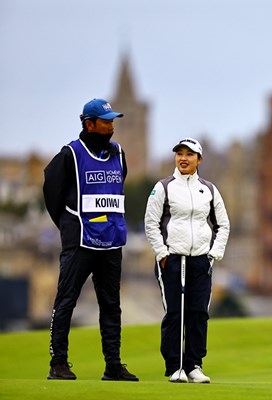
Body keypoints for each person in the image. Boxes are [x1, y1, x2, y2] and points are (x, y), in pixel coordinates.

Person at [43, 98, 138, 381]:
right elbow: (52, 192)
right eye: (106, 121)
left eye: (112, 121)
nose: (111, 126)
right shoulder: (70, 154)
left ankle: (113, 365)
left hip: (111, 241)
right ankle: (58, 363)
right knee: (66, 301)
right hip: (80, 242)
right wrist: (68, 224)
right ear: (89, 124)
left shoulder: (119, 154)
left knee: (111, 304)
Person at [144, 137, 230, 384]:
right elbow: (150, 222)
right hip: (171, 259)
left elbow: (223, 224)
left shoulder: (209, 190)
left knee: (198, 313)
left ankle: (194, 365)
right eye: (179, 154)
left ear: (199, 159)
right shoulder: (163, 187)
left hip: (201, 260)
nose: (183, 158)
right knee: (175, 313)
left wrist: (214, 254)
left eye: (189, 154)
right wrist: (162, 253)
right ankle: (175, 367)